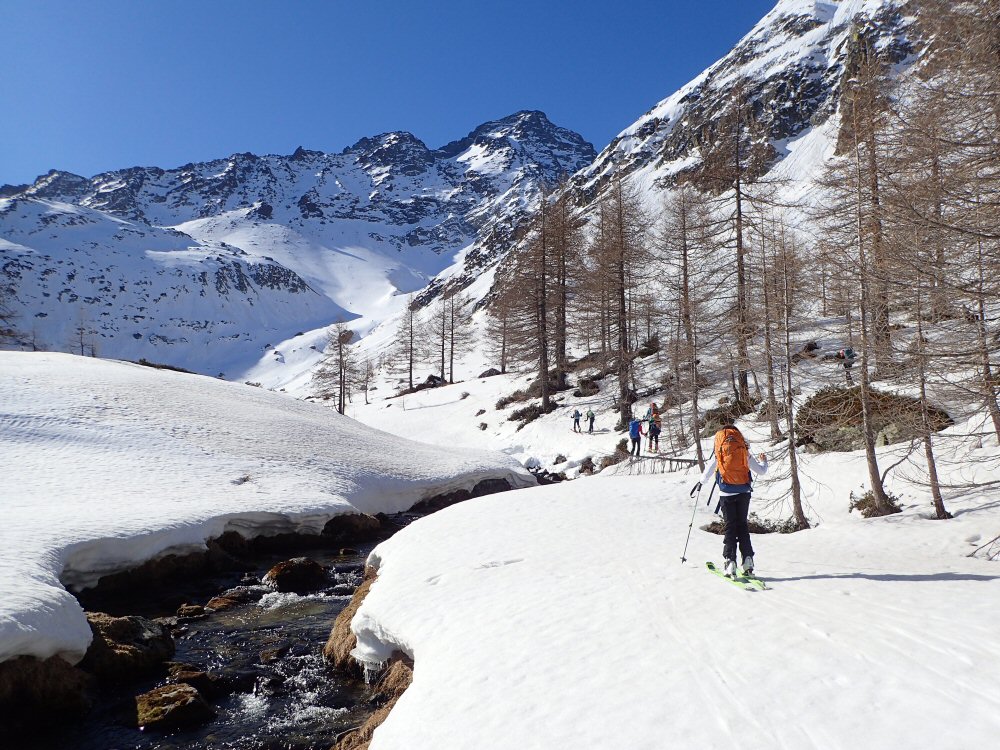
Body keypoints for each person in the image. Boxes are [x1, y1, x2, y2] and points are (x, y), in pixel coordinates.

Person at [691, 424, 768, 578]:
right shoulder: (743, 451)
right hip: (744, 492)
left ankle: (730, 562)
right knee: (742, 526)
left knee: (730, 527)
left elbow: (708, 472)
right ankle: (748, 561)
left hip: (726, 493)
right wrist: (764, 461)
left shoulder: (720, 450)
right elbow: (761, 471)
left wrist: (701, 482)